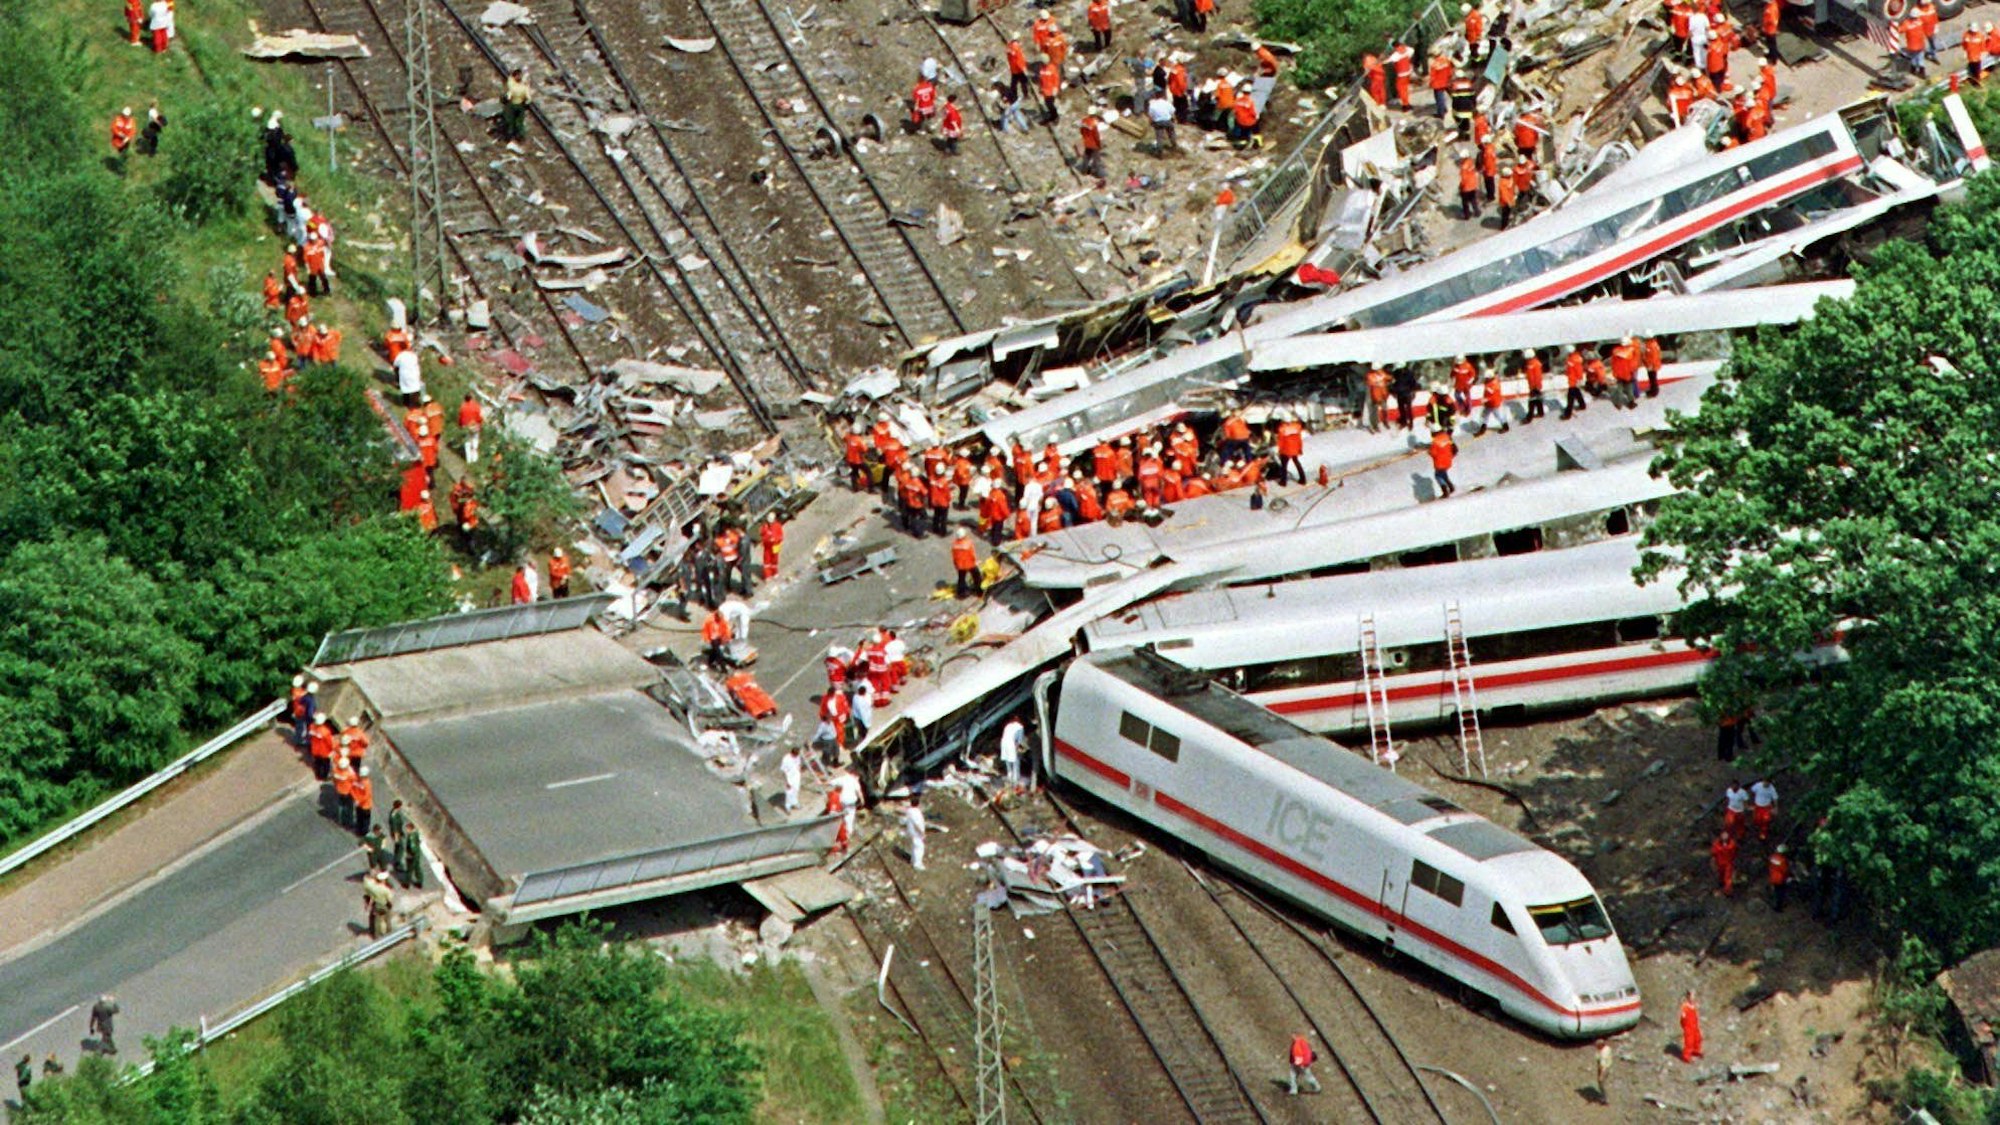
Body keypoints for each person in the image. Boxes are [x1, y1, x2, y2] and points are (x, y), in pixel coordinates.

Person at [502, 67, 532, 141]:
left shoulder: (512, 86)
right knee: (519, 122)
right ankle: (520, 136)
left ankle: (509, 134)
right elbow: (529, 99)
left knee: (510, 120)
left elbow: (508, 96)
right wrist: (525, 103)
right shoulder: (524, 87)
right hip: (520, 105)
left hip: (512, 104)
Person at [951, 527, 982, 598]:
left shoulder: (954, 545)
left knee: (961, 578)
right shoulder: (968, 543)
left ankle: (961, 593)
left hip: (960, 565)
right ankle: (979, 591)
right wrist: (975, 561)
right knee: (976, 576)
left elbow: (954, 557)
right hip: (969, 563)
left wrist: (956, 564)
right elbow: (972, 554)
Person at [1429, 428, 1458, 499]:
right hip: (1448, 459)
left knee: (1438, 475)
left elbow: (1433, 453)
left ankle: (1445, 490)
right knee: (1443, 474)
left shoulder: (1435, 441)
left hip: (1440, 462)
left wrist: (1429, 452)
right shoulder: (1446, 437)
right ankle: (1450, 487)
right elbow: (1452, 447)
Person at [1560, 347, 1587, 420]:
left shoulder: (1575, 359)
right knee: (1577, 392)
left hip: (1574, 380)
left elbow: (1579, 370)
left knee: (1570, 397)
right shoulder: (1570, 358)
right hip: (1572, 379)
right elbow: (1570, 368)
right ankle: (1582, 405)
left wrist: (1579, 379)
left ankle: (1567, 414)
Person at [902, 793, 928, 870]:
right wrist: (922, 832)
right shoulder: (916, 812)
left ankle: (912, 860)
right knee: (920, 848)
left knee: (914, 846)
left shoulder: (909, 810)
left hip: (911, 831)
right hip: (916, 833)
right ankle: (917, 864)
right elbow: (917, 824)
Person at [1077, 113, 1106, 179]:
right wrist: (1099, 145)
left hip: (1087, 142)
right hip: (1094, 144)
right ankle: (1098, 173)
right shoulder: (1093, 125)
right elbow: (1096, 136)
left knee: (1086, 157)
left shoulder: (1084, 121)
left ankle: (1084, 171)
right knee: (1096, 159)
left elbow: (1081, 131)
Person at [999, 716, 1025, 787]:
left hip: (1004, 743)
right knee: (1016, 762)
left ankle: (1009, 776)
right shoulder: (1020, 727)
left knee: (1008, 762)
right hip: (1011, 744)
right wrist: (1019, 749)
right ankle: (1015, 782)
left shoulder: (1008, 725)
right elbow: (1019, 741)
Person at [1711, 829, 1737, 896]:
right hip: (1719, 863)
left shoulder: (1732, 844)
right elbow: (1714, 854)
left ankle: (1728, 891)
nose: (1724, 836)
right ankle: (1721, 886)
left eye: (1726, 835)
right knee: (1721, 876)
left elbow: (1733, 853)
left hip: (1728, 863)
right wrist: (1713, 863)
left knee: (1727, 877)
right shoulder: (1716, 844)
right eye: (1723, 835)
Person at [1680, 991, 1703, 1061]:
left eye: (1694, 996)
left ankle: (1696, 1050)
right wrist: (1685, 1026)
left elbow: (1696, 1015)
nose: (1693, 998)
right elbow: (1682, 1018)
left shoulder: (1694, 1006)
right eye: (1692, 996)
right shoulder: (1685, 1006)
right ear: (1688, 997)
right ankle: (1686, 1056)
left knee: (1698, 1038)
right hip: (1688, 1027)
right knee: (1689, 1041)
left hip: (1695, 1025)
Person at [1768, 844, 1792, 911]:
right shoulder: (1782, 860)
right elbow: (1785, 870)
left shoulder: (1773, 857)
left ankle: (1775, 904)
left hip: (1773, 877)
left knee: (1776, 892)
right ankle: (1778, 907)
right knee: (1781, 893)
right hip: (1780, 879)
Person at [353, 766, 375, 836]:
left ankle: (358, 831)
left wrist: (356, 800)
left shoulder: (357, 781)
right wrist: (360, 801)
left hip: (358, 804)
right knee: (365, 820)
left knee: (359, 819)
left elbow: (354, 790)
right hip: (366, 805)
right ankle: (364, 833)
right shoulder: (367, 783)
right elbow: (367, 795)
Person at [780, 747, 803, 813]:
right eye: (795, 755)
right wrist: (787, 781)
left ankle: (795, 803)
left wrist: (799, 770)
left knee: (796, 790)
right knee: (789, 792)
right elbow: (783, 771)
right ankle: (788, 806)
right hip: (789, 777)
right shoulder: (786, 759)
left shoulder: (798, 756)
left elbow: (798, 764)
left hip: (796, 776)